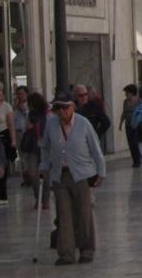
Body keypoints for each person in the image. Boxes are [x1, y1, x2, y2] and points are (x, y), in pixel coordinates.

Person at [39, 92, 106, 265]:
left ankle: (86, 250)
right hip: (59, 175)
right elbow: (45, 147)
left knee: (84, 213)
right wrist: (44, 166)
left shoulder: (84, 124)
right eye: (57, 108)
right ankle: (66, 254)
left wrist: (101, 171)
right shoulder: (51, 124)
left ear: (72, 107)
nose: (60, 111)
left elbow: (95, 149)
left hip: (81, 175)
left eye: (64, 107)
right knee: (64, 215)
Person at [22, 91, 51, 209]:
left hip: (46, 147)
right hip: (33, 147)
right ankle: (38, 197)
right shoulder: (30, 116)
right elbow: (26, 128)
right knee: (32, 173)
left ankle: (45, 200)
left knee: (46, 174)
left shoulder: (48, 114)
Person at [73, 84, 111, 152]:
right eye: (81, 95)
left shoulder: (94, 106)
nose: (84, 97)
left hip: (90, 141)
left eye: (86, 94)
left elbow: (106, 122)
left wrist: (96, 134)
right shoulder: (71, 108)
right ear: (76, 96)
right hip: (76, 142)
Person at [119, 84, 142, 168]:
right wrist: (120, 123)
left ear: (132, 93)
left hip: (136, 126)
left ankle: (139, 159)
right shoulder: (125, 102)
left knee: (135, 143)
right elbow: (124, 113)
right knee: (131, 144)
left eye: (127, 92)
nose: (126, 94)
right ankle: (135, 161)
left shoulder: (139, 101)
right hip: (128, 125)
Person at [13, 86, 29, 186]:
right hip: (19, 133)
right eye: (18, 94)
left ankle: (30, 177)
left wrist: (20, 108)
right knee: (22, 156)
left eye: (21, 93)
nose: (20, 96)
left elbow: (27, 115)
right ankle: (25, 178)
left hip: (27, 133)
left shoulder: (30, 105)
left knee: (28, 157)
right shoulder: (15, 107)